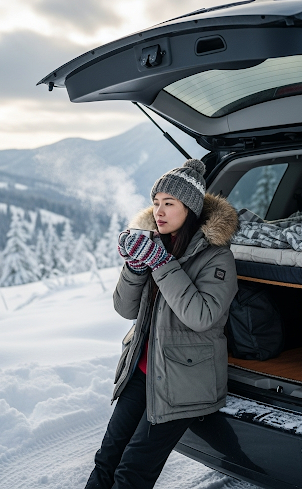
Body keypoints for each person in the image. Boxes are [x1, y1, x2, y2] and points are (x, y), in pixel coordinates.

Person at [85, 159, 239, 489]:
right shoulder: (156, 245)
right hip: (141, 370)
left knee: (131, 472)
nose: (159, 211)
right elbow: (125, 308)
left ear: (190, 208)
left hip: (183, 381)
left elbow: (201, 317)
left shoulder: (216, 257)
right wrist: (135, 267)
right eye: (156, 202)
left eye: (169, 203)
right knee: (106, 459)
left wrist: (161, 263)